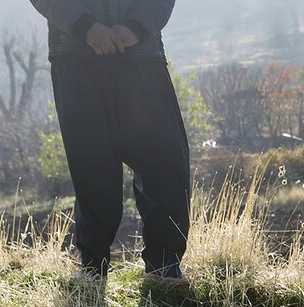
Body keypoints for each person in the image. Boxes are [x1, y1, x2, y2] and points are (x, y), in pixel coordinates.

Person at [30, 0, 190, 279]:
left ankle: (164, 268)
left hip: (143, 53)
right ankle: (93, 269)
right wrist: (86, 27)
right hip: (76, 53)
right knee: (94, 167)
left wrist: (137, 28)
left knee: (167, 162)